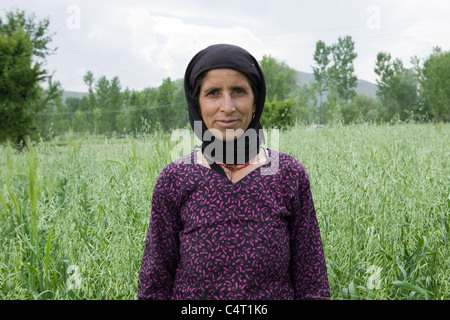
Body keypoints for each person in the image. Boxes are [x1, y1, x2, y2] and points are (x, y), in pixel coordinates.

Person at [137, 44, 330, 300]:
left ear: (255, 101)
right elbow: (155, 283)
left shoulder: (288, 175)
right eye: (213, 93)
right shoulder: (175, 179)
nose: (227, 107)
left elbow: (311, 280)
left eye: (238, 91)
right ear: (197, 104)